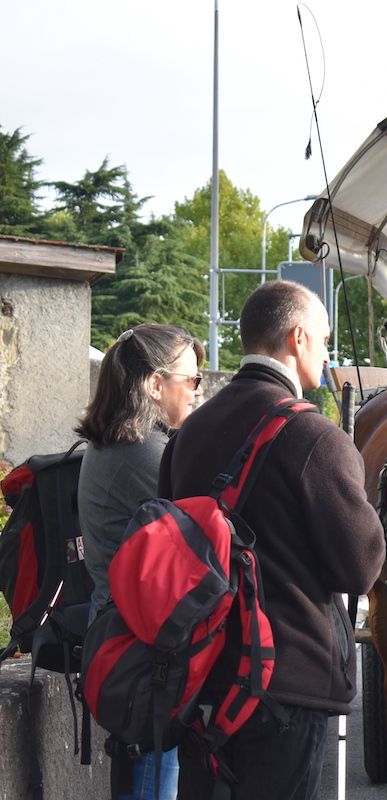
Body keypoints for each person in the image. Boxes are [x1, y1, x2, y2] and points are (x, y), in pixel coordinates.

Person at [160, 281, 385, 799]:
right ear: (297, 338)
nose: (328, 355)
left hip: (200, 674)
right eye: (324, 340)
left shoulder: (188, 434)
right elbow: (360, 568)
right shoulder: (316, 437)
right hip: (286, 679)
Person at [77, 323, 206, 800]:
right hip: (141, 648)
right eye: (191, 380)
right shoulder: (144, 453)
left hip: (125, 635)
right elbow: (208, 526)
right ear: (155, 384)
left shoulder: (120, 443)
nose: (198, 391)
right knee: (154, 772)